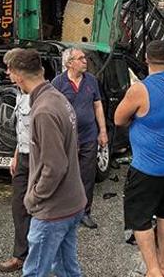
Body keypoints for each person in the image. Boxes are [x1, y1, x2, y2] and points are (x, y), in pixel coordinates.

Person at [6, 48, 86, 277]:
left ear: (19, 77)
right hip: (72, 202)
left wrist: (33, 198)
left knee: (33, 272)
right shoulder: (56, 97)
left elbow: (55, 166)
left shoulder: (43, 111)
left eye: (11, 73)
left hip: (53, 211)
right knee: (67, 269)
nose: (10, 78)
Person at [114, 40, 164, 277]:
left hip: (147, 167)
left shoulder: (140, 89)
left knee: (140, 219)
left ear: (146, 58)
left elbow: (118, 119)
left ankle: (153, 270)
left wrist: (137, 120)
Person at [51, 47, 108, 229]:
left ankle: (85, 212)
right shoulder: (58, 83)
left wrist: (103, 131)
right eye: (81, 58)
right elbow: (53, 111)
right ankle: (66, 213)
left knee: (87, 177)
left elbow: (98, 106)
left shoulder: (91, 80)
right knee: (66, 177)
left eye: (85, 58)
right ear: (69, 63)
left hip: (89, 137)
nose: (85, 61)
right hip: (67, 139)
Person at [0, 48, 33, 273]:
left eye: (10, 69)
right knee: (18, 206)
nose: (7, 74)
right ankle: (20, 255)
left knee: (39, 207)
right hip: (23, 156)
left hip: (41, 157)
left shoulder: (42, 96)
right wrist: (15, 155)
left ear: (20, 71)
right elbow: (22, 129)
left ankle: (40, 256)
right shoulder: (19, 92)